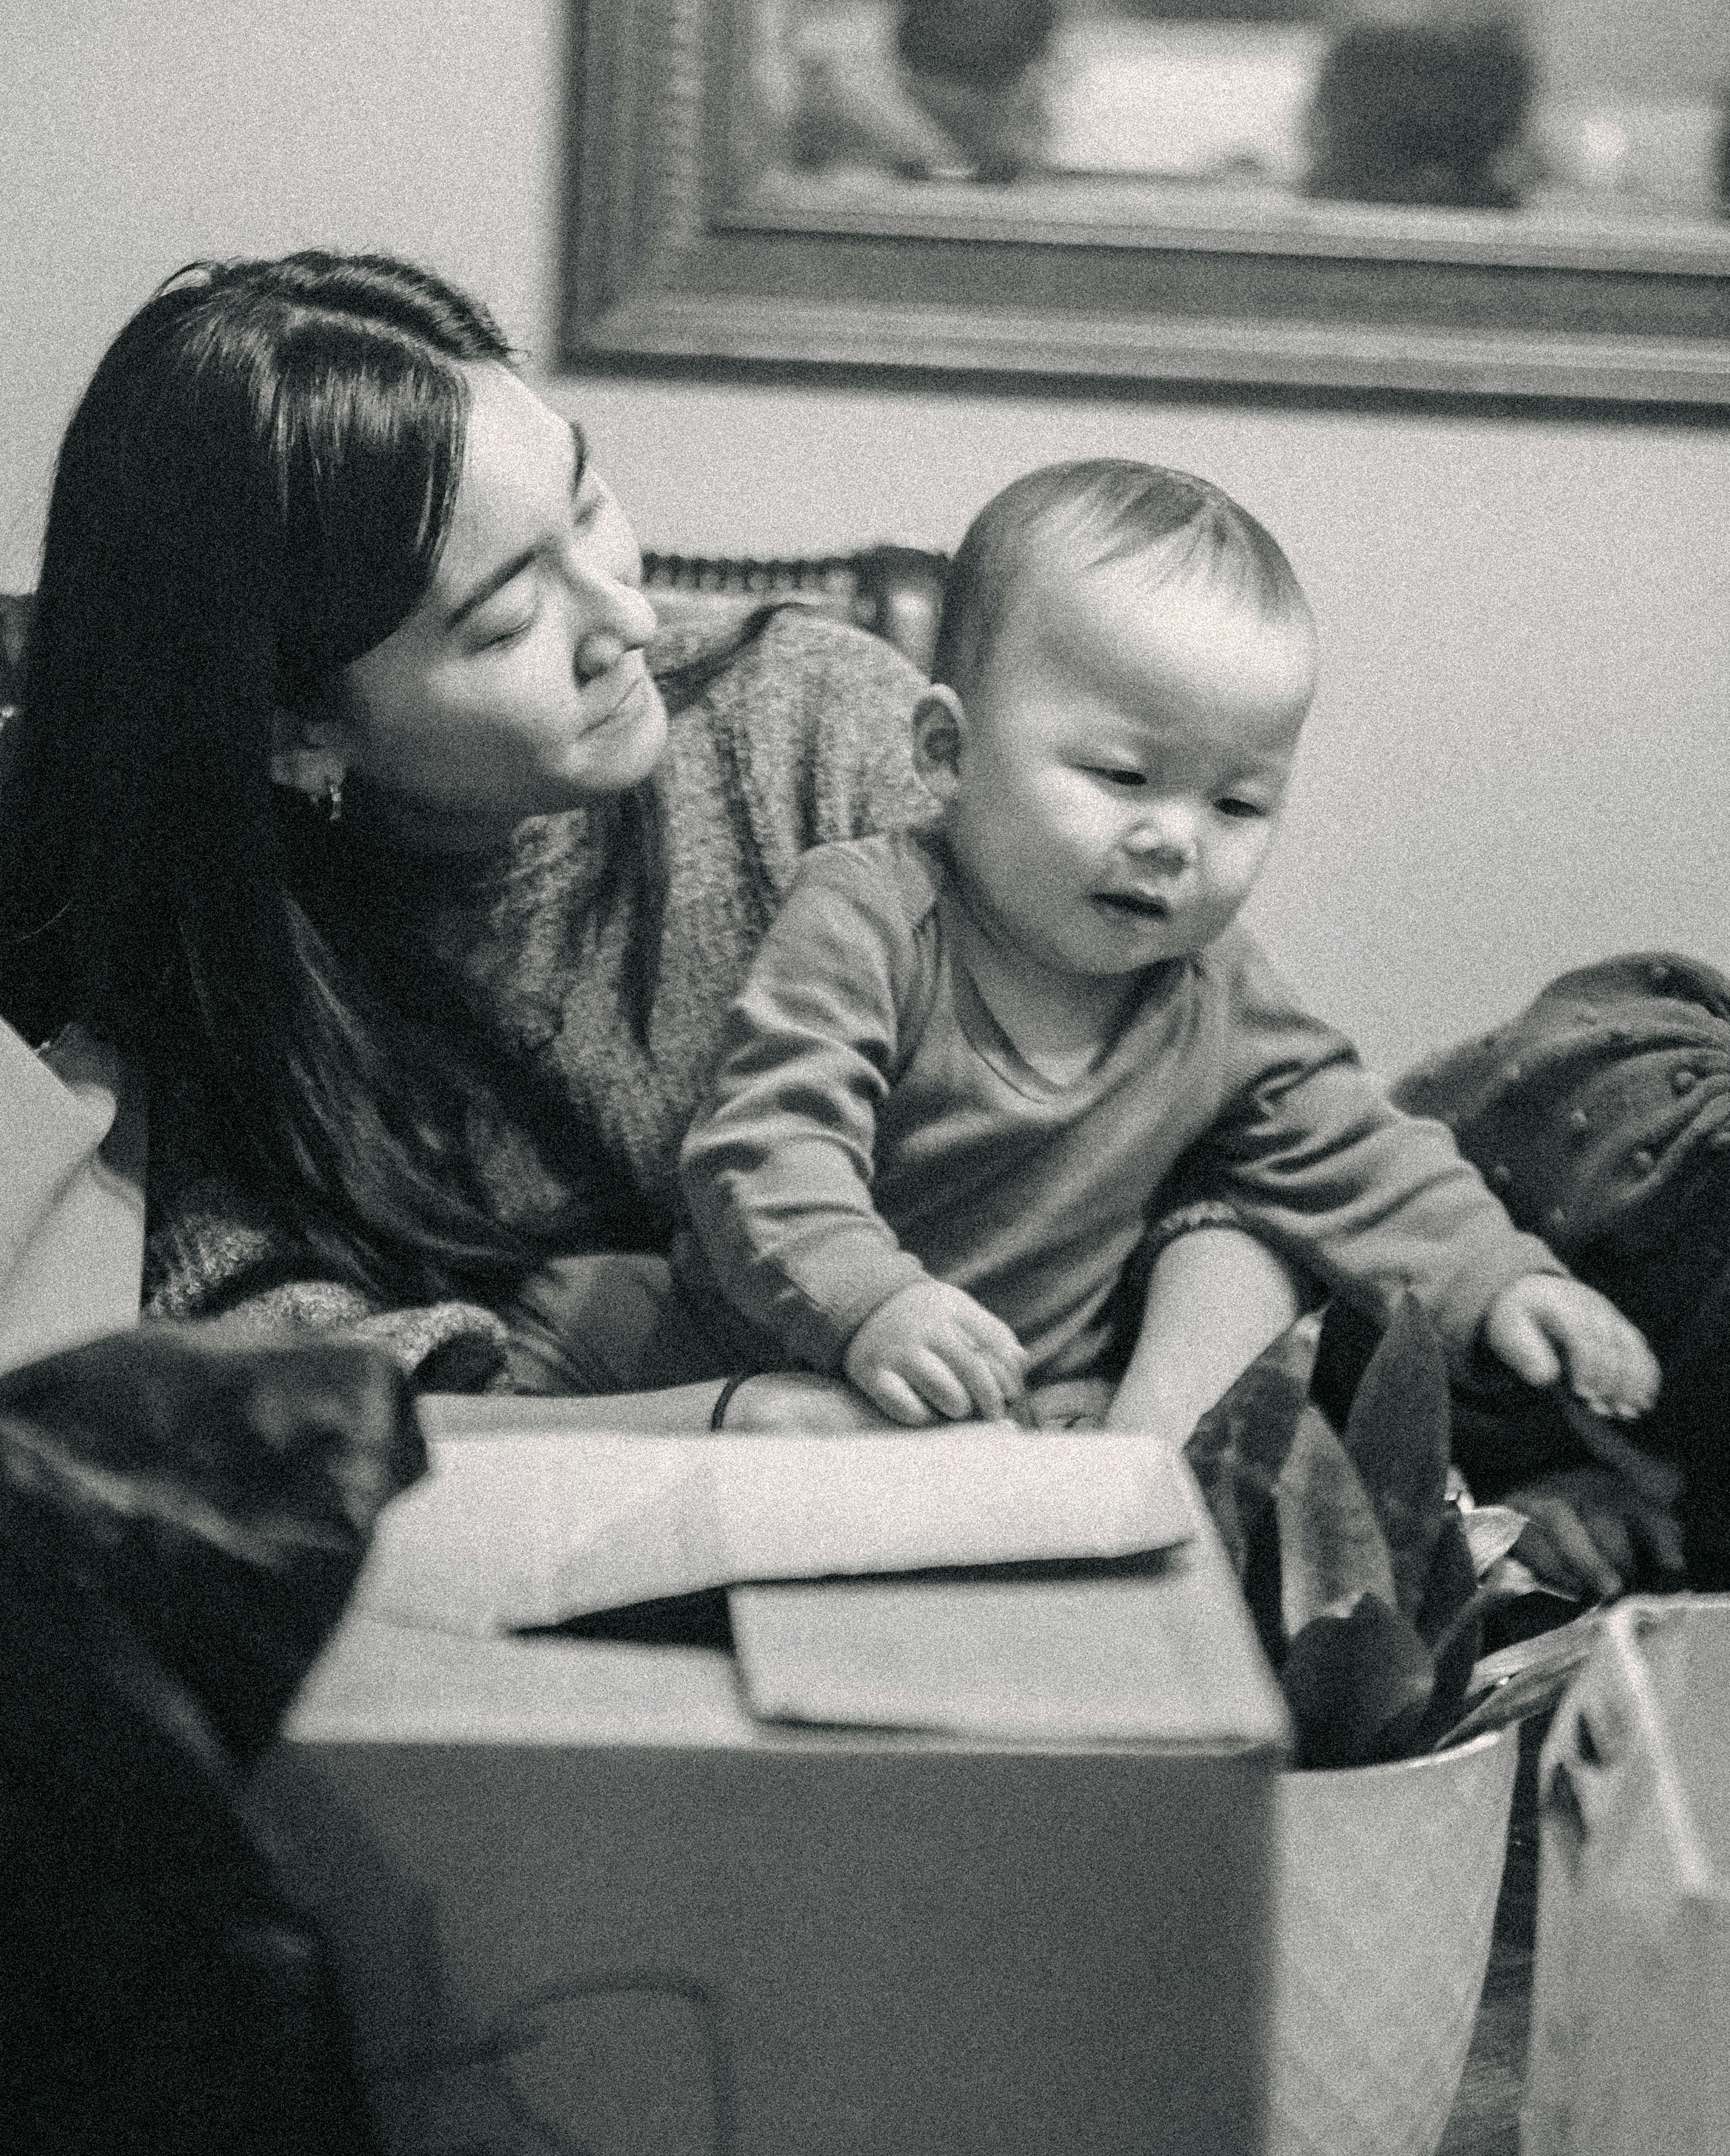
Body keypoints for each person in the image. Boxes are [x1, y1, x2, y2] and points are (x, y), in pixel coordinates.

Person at [0, 254, 1308, 1447]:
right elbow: (281, 1396)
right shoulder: (209, 983)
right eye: (508, 622)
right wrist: (726, 1423)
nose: (627, 617)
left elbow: (1248, 1133)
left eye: (587, 503)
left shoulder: (813, 730)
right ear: (295, 732)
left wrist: (1155, 1447)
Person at [671, 459, 1661, 1437]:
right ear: (947, 750)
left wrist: (1503, 1280)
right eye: (1123, 776)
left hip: (1032, 1408)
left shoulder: (1215, 988)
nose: (1176, 840)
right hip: (768, 1363)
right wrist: (871, 1303)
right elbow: (768, 1143)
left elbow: (1356, 1150)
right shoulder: (869, 916)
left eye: (1237, 805)